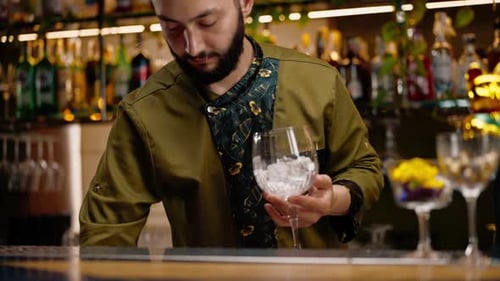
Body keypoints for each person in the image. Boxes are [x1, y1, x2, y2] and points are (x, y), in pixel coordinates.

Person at [79, 0, 384, 248]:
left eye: (207, 22)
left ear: (245, 4)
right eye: (172, 28)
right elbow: (106, 230)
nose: (193, 46)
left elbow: (364, 168)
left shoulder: (318, 81)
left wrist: (332, 200)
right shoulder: (143, 111)